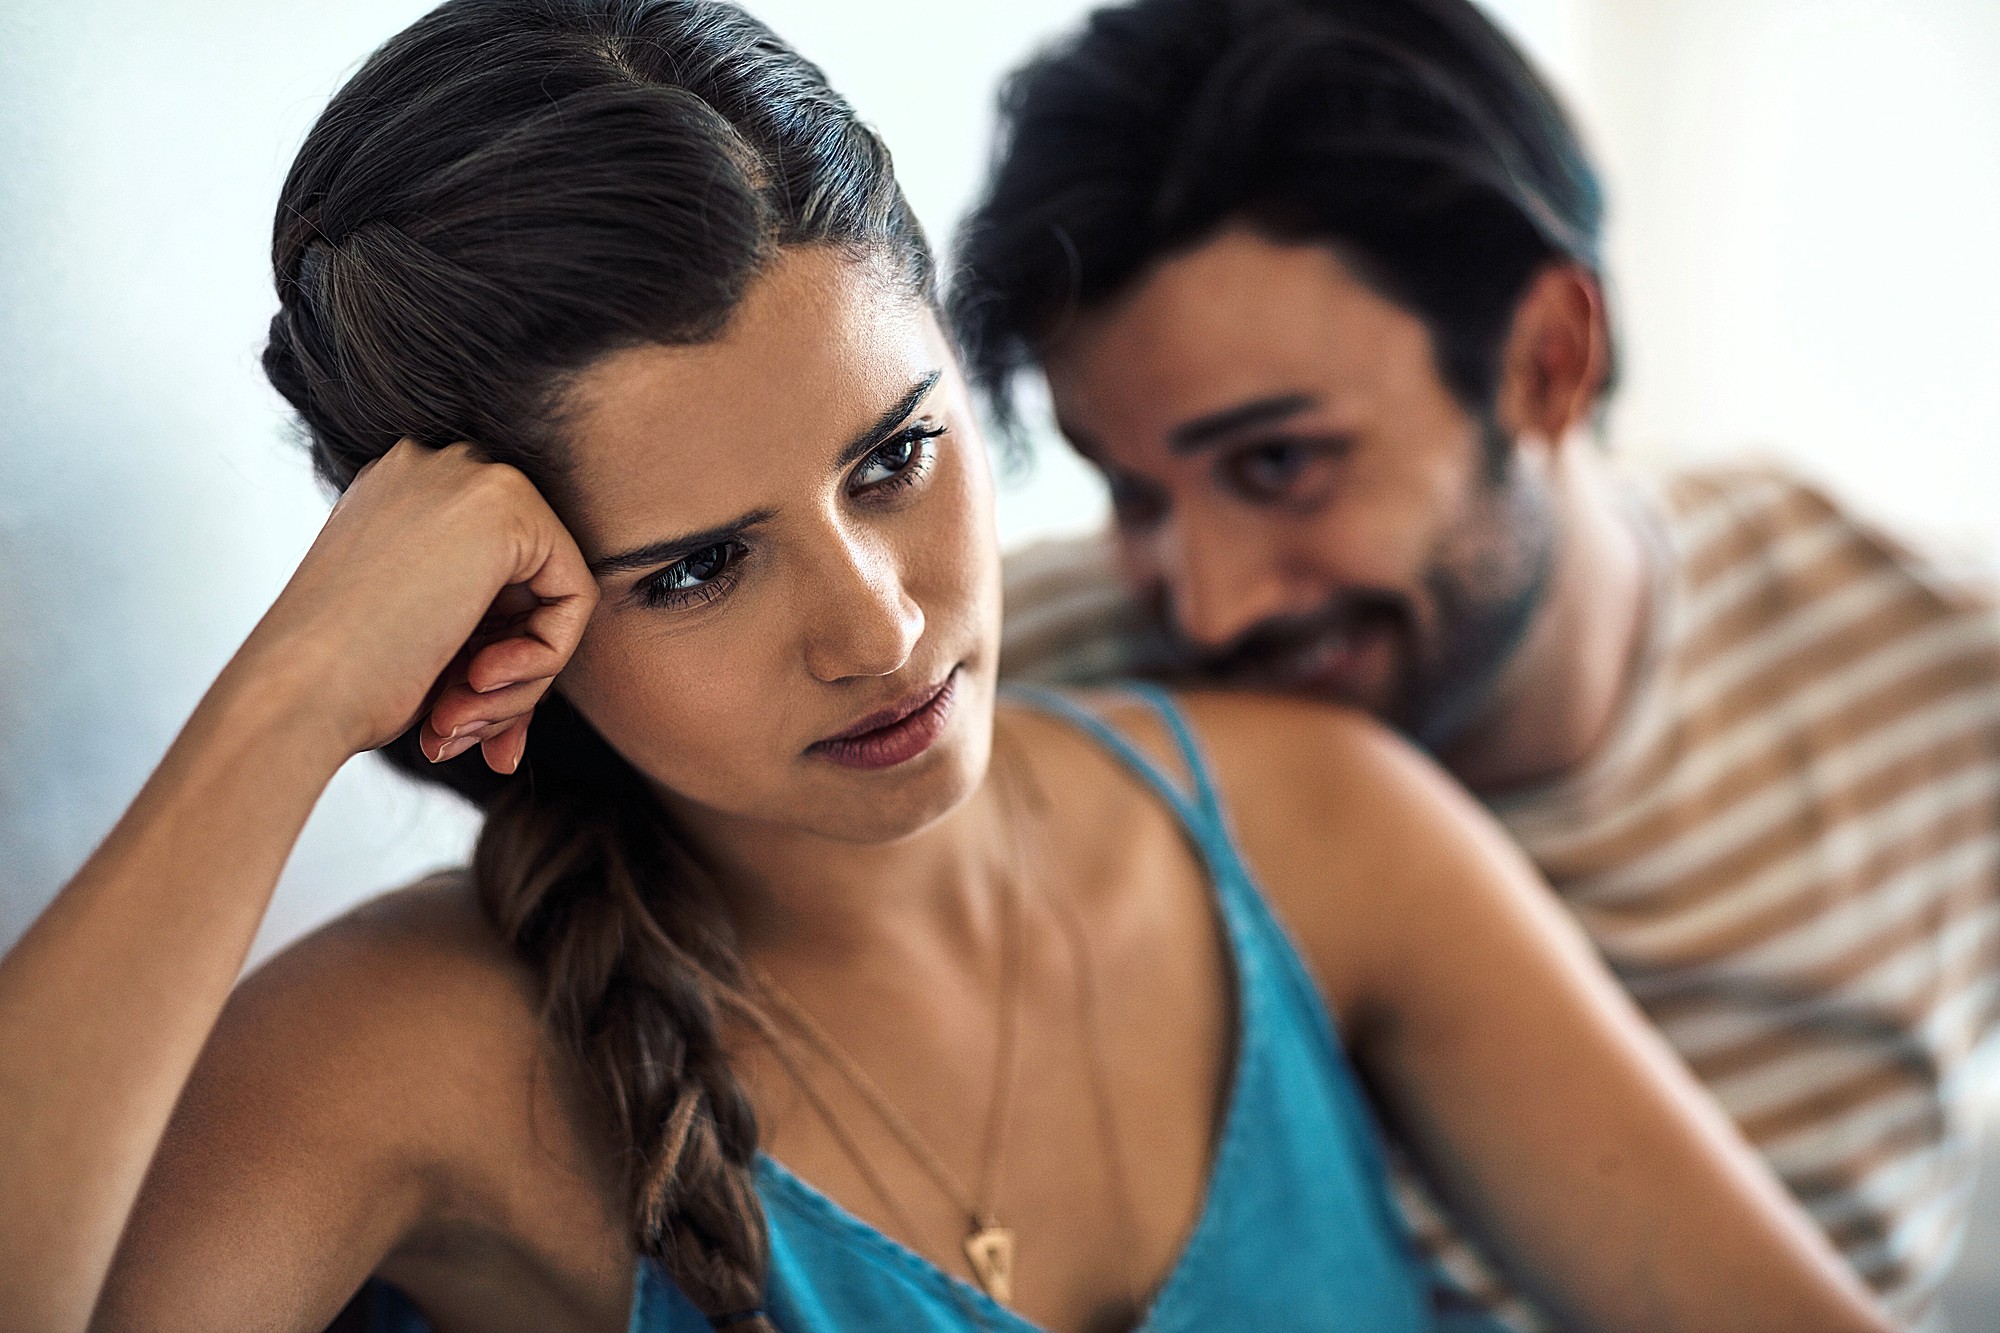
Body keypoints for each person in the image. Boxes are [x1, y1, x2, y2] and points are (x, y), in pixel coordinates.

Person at [0, 2, 1900, 1332]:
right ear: (513, 614)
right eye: (704, 568)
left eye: (895, 457)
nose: (885, 624)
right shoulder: (404, 1059)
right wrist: (283, 705)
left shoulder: (1314, 825)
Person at [952, 0, 2000, 1327]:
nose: (1205, 609)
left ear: (1549, 362)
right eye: (1134, 496)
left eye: (1280, 464)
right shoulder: (1010, 701)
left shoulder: (1942, 674)